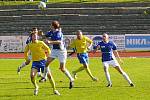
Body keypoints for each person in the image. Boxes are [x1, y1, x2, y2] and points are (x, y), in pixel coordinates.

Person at [24, 27, 60, 96]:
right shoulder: (29, 44)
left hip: (43, 61)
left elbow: (48, 49)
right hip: (35, 62)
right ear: (31, 37)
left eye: (36, 36)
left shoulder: (41, 43)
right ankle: (36, 87)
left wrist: (48, 56)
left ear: (37, 37)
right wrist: (27, 59)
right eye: (33, 36)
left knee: (49, 76)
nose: (35, 37)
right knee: (32, 76)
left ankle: (54, 89)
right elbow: (25, 52)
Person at [39, 21, 74, 89]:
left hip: (61, 51)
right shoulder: (51, 32)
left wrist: (50, 42)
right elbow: (44, 36)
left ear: (53, 26)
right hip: (54, 50)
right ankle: (44, 77)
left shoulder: (59, 33)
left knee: (62, 68)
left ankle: (71, 79)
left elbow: (59, 41)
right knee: (46, 63)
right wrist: (41, 34)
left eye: (51, 25)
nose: (50, 26)